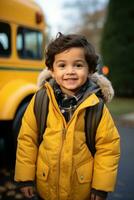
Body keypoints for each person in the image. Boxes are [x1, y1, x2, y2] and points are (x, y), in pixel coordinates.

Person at [14, 32, 120, 200]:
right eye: (62, 65)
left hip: (81, 190)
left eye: (78, 65)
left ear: (90, 69)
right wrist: (25, 178)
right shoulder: (41, 100)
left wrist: (100, 187)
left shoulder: (96, 106)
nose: (70, 71)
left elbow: (108, 148)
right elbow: (27, 140)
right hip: (46, 186)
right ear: (52, 70)